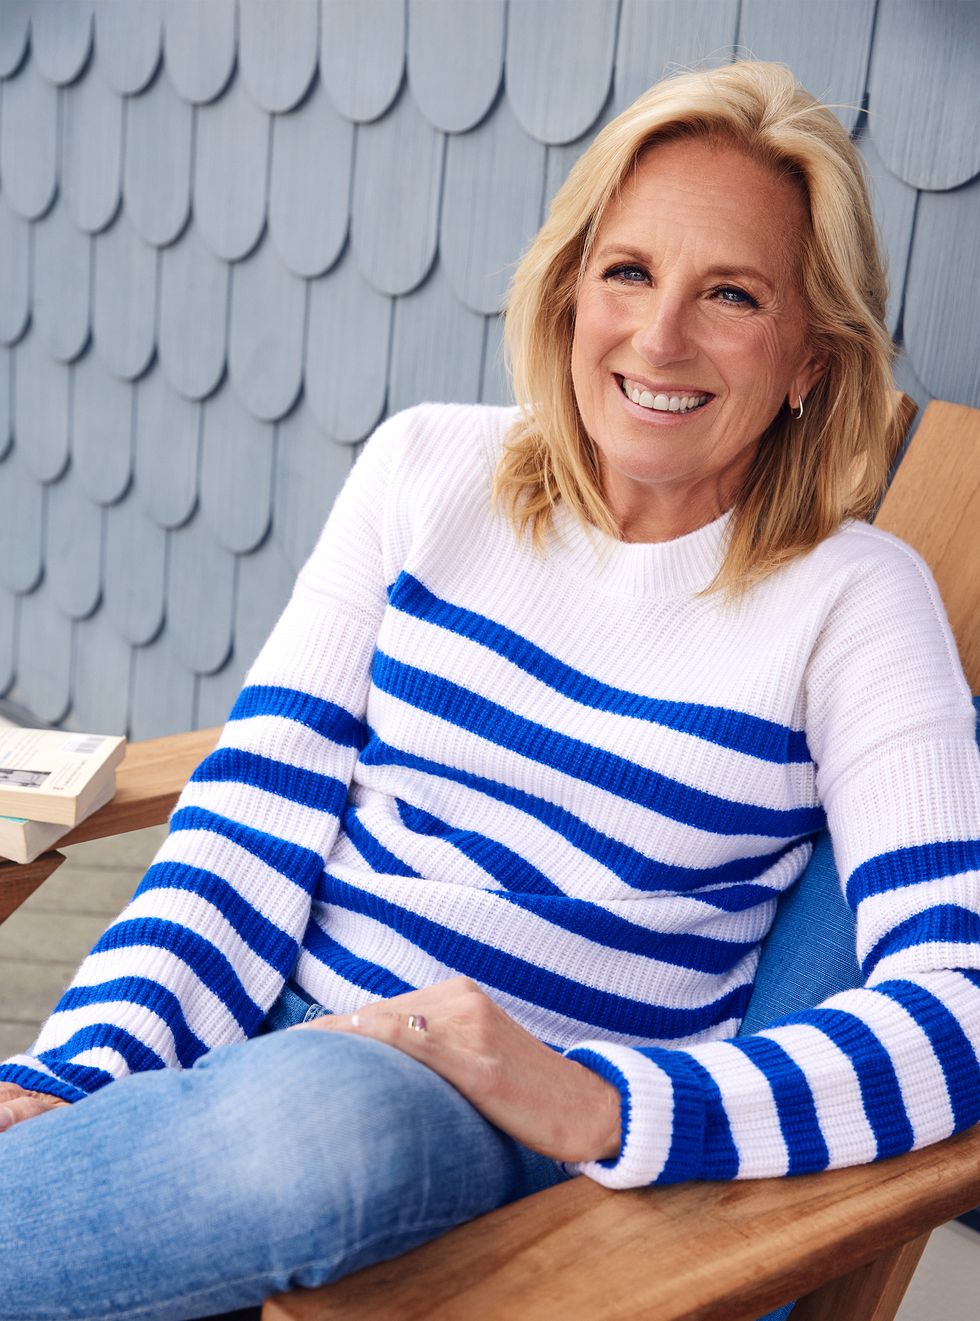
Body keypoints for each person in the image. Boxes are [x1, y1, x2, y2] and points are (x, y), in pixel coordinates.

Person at [1, 59, 978, 1321]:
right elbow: (247, 823)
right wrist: (82, 1072)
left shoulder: (852, 604)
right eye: (626, 272)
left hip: (467, 1124)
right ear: (570, 289)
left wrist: (599, 1101)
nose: (659, 338)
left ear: (810, 354)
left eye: (729, 294)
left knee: (322, 1128)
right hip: (258, 1036)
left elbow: (960, 1007)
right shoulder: (426, 471)